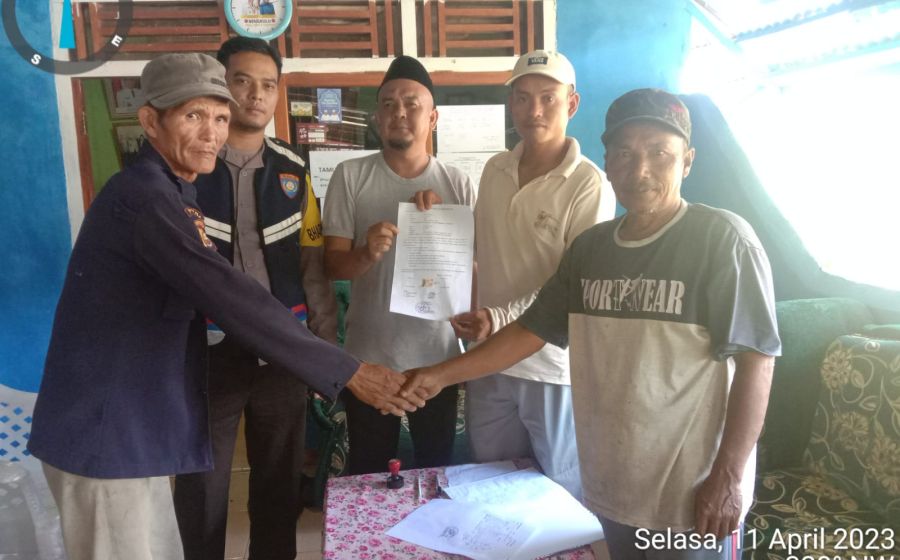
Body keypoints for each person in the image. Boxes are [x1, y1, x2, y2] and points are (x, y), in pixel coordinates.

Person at [26, 53, 420, 560]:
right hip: (108, 430)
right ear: (150, 121)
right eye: (193, 116)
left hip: (133, 427)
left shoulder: (178, 189)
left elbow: (292, 273)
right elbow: (230, 296)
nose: (211, 133)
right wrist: (350, 371)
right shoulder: (148, 199)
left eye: (218, 116)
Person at [402, 88, 781, 560]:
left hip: (691, 497)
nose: (640, 170)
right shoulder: (590, 250)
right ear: (608, 163)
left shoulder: (722, 241)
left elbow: (758, 362)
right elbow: (528, 333)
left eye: (659, 153)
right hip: (612, 489)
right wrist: (438, 376)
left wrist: (727, 477)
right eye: (624, 154)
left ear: (687, 161)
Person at [171, 38, 329, 560]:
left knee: (279, 487)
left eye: (268, 85)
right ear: (220, 85)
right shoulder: (189, 165)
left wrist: (320, 348)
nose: (256, 95)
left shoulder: (293, 168)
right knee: (202, 488)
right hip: (207, 353)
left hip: (281, 350)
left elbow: (311, 262)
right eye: (241, 81)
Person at [449, 50, 614, 499]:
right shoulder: (495, 170)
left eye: (547, 97)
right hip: (489, 359)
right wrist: (433, 220)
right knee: (490, 484)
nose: (533, 110)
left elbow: (571, 283)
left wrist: (498, 317)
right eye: (522, 97)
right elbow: (478, 249)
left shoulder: (589, 184)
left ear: (572, 104)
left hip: (553, 365)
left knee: (561, 493)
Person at [322, 55, 476, 474]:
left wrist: (443, 227)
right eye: (388, 104)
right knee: (370, 471)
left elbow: (472, 271)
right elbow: (333, 266)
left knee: (436, 470)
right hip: (370, 359)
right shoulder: (350, 176)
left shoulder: (457, 183)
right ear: (377, 117)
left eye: (411, 103)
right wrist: (365, 253)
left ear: (433, 117)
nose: (399, 113)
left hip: (437, 359)